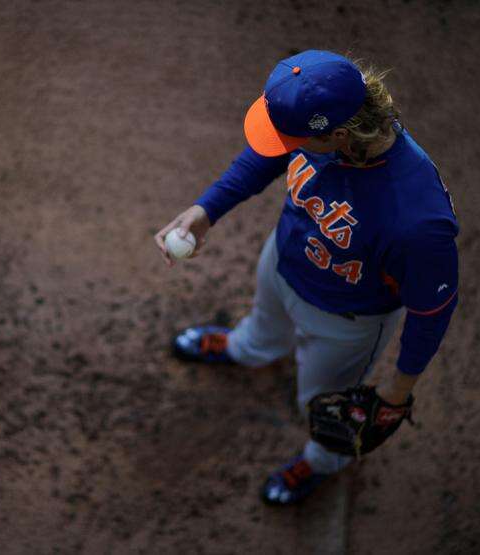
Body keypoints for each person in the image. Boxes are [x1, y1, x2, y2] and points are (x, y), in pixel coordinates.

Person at [154, 50, 459, 505]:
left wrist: (397, 389)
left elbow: (433, 309)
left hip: (346, 321)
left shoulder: (415, 219)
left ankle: (322, 462)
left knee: (324, 405)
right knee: (260, 329)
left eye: (290, 137)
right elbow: (267, 155)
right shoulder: (326, 121)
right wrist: (207, 208)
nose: (281, 144)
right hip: (283, 260)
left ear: (338, 134)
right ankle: (246, 351)